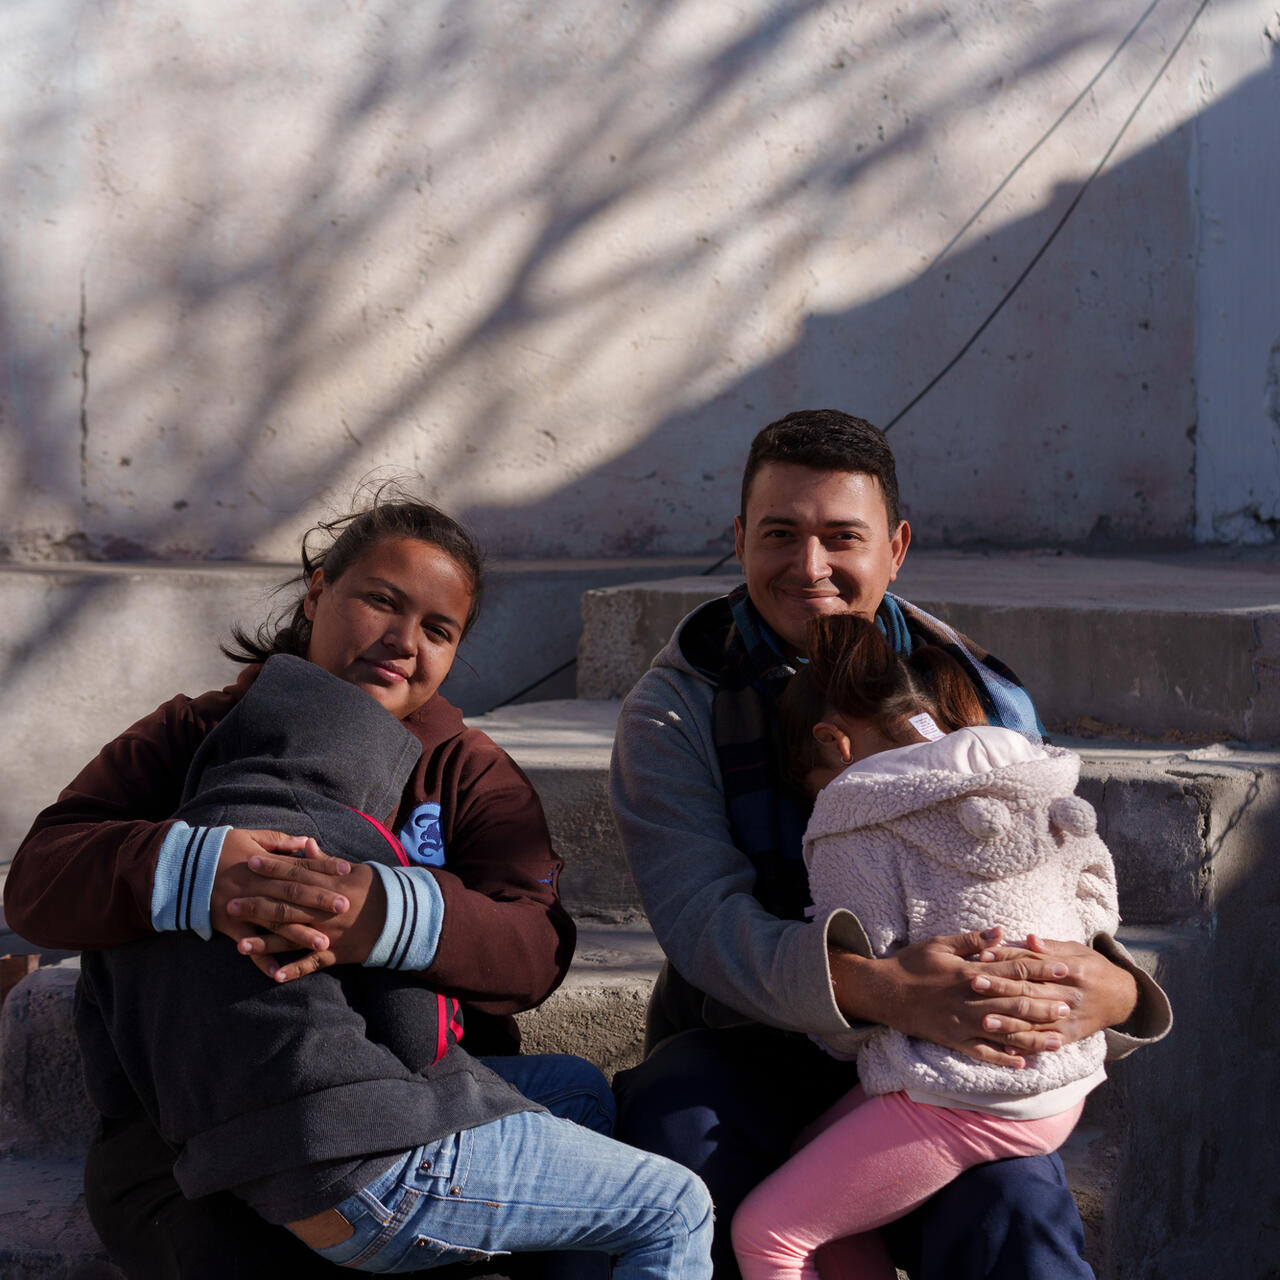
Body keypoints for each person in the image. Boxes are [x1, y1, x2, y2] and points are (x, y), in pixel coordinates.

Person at [6, 495, 711, 1280]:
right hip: (191, 1142)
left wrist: (389, 916)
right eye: (381, 600)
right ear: (317, 593)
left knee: (578, 1096)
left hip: (418, 1097)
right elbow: (37, 881)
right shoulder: (200, 733)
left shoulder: (467, 769)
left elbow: (535, 950)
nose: (404, 642)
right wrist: (193, 868)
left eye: (438, 630)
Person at [610, 410, 1172, 1279]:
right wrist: (880, 989)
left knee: (1014, 1207)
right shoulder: (677, 708)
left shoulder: (975, 690)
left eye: (842, 537)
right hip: (753, 1029)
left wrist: (1114, 987)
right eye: (779, 535)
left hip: (954, 1048)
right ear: (739, 540)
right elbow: (702, 920)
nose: (809, 567)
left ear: (896, 547)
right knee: (678, 1131)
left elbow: (1049, 879)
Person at [730, 613, 1123, 1279]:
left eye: (809, 783)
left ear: (833, 743)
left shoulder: (856, 817)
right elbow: (1097, 902)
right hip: (1064, 1076)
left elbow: (864, 980)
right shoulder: (1032, 775)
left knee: (769, 1235)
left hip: (968, 1090)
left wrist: (848, 1018)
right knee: (815, 1183)